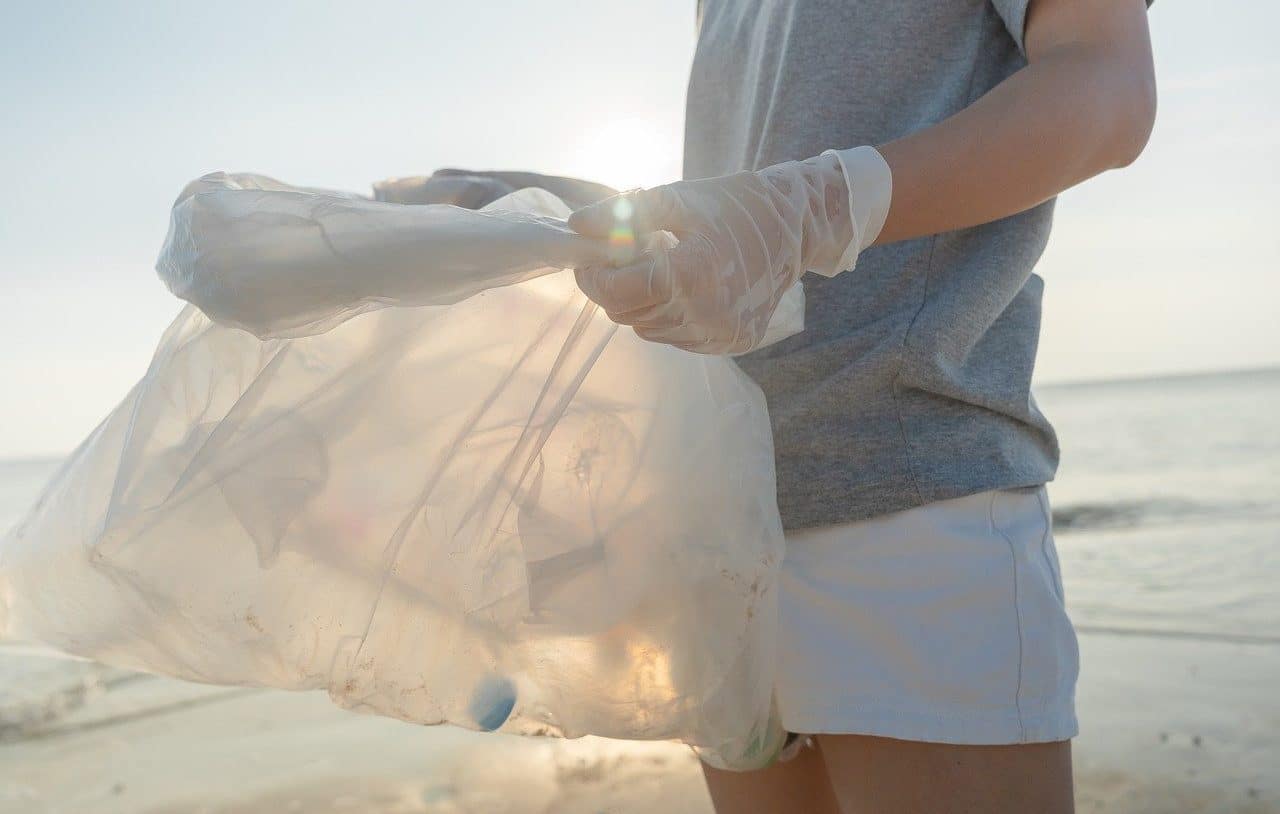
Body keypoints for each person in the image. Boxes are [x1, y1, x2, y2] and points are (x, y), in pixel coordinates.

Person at [562, 0, 1156, 812]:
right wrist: (549, 211)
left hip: (911, 499)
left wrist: (827, 206)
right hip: (725, 515)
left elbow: (1111, 84)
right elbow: (751, 182)